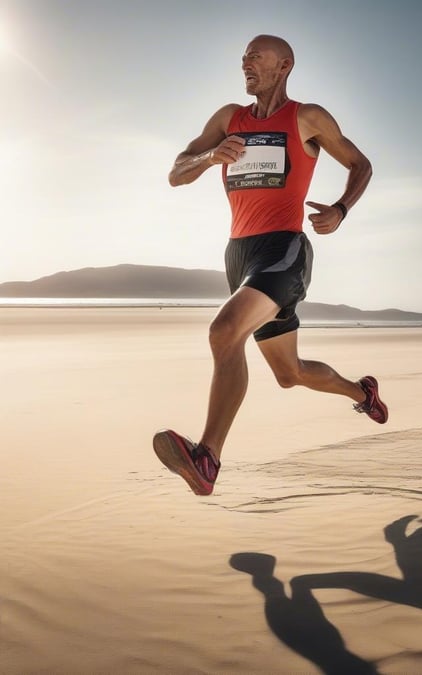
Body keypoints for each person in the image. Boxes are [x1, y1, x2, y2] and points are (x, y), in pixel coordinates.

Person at [153, 34, 388, 497]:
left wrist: (340, 210)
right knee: (289, 373)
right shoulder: (228, 118)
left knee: (224, 332)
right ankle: (364, 394)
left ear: (284, 65)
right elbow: (176, 172)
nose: (245, 63)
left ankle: (208, 457)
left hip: (284, 249)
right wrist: (209, 156)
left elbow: (360, 164)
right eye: (242, 58)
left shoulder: (307, 117)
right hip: (238, 254)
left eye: (254, 57)